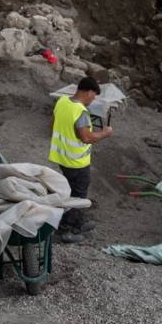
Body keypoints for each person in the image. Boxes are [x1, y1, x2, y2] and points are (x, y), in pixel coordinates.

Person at [48, 76, 113, 244]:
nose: (93, 99)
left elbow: (53, 123)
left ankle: (77, 221)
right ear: (88, 92)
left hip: (62, 157)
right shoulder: (80, 112)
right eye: (94, 96)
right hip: (76, 162)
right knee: (77, 194)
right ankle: (66, 230)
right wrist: (105, 133)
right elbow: (87, 138)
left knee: (72, 190)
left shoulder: (62, 102)